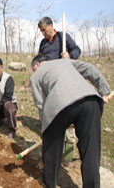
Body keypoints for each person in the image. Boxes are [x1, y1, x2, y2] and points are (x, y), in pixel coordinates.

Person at [30, 54, 112, 188]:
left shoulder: (35, 75)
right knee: (91, 150)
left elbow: (41, 104)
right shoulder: (65, 62)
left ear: (37, 65)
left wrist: (46, 130)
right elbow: (90, 68)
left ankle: (50, 183)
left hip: (60, 104)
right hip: (91, 100)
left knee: (52, 147)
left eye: (34, 69)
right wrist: (104, 90)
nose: (35, 72)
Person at [38, 16, 81, 164]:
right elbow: (40, 59)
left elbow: (77, 50)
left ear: (51, 25)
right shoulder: (43, 43)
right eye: (41, 31)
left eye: (44, 30)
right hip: (50, 83)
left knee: (67, 115)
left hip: (65, 82)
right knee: (53, 115)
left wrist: (69, 55)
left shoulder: (63, 37)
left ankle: (67, 158)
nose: (43, 33)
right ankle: (54, 149)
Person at [0, 57, 18, 138]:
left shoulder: (8, 79)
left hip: (6, 106)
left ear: (2, 68)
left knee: (9, 106)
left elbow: (7, 97)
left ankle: (12, 130)